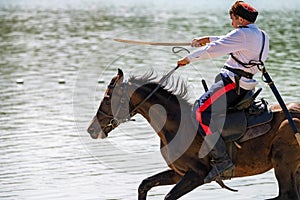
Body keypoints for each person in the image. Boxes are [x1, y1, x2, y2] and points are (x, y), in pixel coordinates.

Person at [177, 0, 269, 183]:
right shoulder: (260, 34)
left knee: (200, 111)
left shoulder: (242, 34)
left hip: (232, 83)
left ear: (241, 19)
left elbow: (216, 49)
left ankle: (222, 161)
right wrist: (207, 39)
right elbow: (229, 41)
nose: (231, 23)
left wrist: (188, 59)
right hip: (242, 82)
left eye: (233, 19)